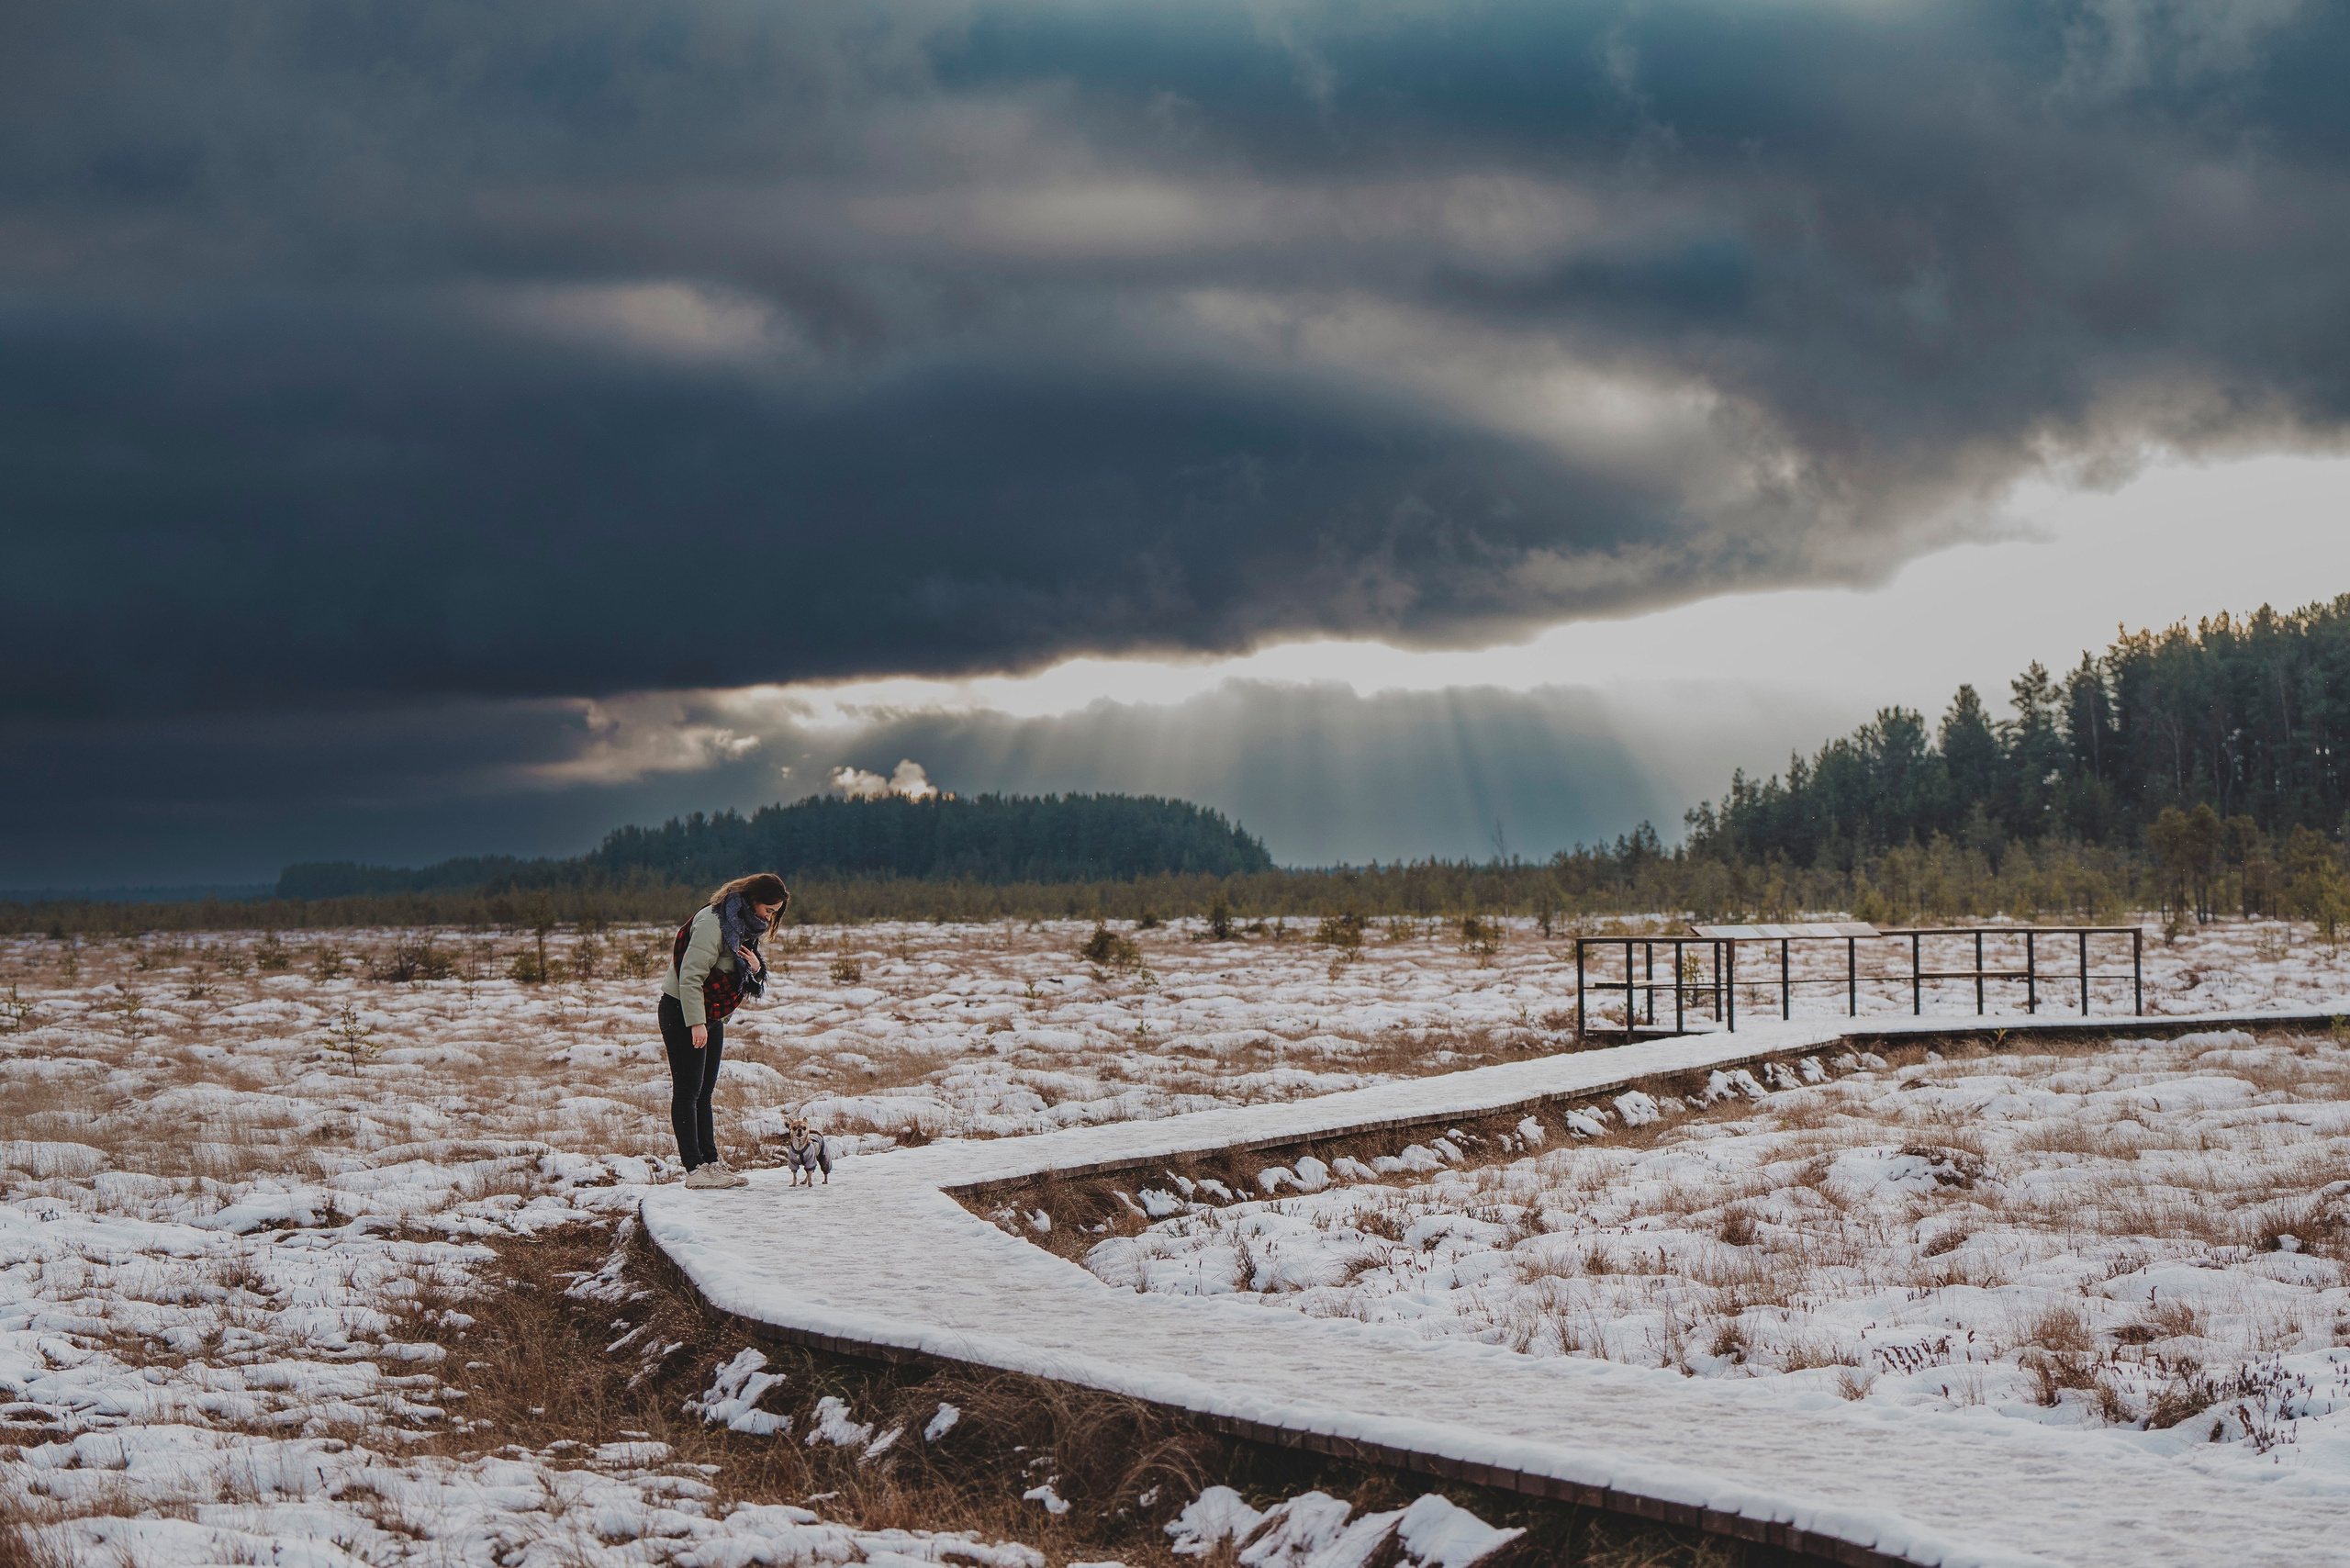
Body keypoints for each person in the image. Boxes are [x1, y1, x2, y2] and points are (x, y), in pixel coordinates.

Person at [659, 872, 788, 1188]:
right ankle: (694, 1169)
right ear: (753, 900)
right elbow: (689, 975)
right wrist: (697, 1023)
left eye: (773, 913)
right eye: (768, 910)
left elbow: (741, 971)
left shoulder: (742, 926)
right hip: (683, 1011)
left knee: (704, 1092)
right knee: (688, 1091)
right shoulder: (714, 922)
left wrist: (757, 968)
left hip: (710, 1014)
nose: (768, 917)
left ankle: (711, 1163)